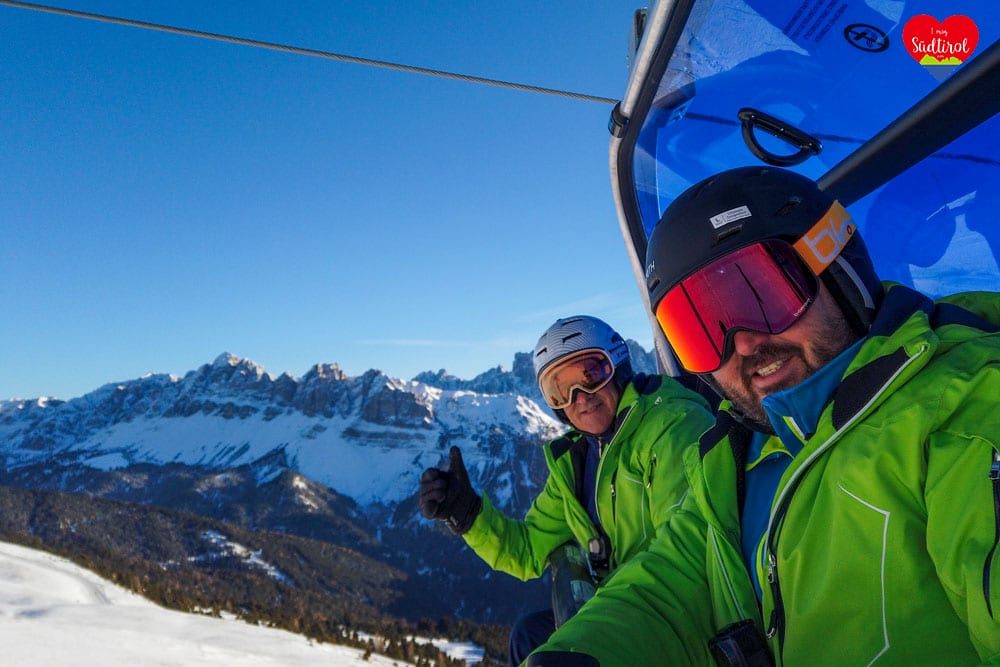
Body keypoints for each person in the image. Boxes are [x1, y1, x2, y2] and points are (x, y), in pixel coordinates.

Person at [527, 166, 1000, 666]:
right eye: (702, 331)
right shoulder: (734, 457)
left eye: (763, 296)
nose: (744, 345)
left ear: (837, 270)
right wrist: (580, 655)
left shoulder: (962, 406)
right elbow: (668, 585)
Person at [418, 315, 715, 666]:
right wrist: (467, 514)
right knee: (529, 636)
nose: (580, 398)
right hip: (620, 609)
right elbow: (528, 550)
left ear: (618, 366)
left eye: (590, 375)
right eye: (559, 391)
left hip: (677, 614)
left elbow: (689, 556)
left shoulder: (672, 426)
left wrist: (594, 625)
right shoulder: (575, 461)